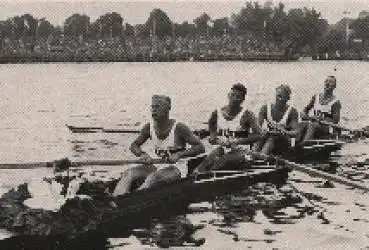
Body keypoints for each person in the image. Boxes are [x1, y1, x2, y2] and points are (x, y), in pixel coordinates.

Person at [113, 95, 205, 196]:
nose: (153, 110)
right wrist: (142, 154)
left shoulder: (179, 127)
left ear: (167, 109)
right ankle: (115, 199)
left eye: (157, 107)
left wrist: (179, 155)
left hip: (176, 168)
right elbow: (134, 145)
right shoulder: (148, 127)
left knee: (152, 178)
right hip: (156, 164)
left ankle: (131, 200)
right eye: (152, 107)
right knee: (128, 173)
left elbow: (200, 147)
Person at [194, 83, 263, 173]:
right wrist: (212, 136)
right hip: (223, 147)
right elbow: (211, 126)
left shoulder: (247, 114)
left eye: (238, 97)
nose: (234, 99)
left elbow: (259, 135)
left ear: (243, 99)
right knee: (205, 163)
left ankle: (205, 178)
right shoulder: (217, 112)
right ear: (228, 95)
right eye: (232, 95)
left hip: (241, 151)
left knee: (220, 162)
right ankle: (195, 176)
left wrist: (237, 141)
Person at [254, 84, 299, 155]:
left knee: (274, 138)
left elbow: (296, 132)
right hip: (269, 138)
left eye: (282, 97)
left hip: (284, 142)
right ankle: (252, 156)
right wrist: (262, 131)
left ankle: (261, 157)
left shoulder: (292, 111)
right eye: (278, 96)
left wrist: (284, 132)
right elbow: (257, 127)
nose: (279, 99)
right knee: (260, 137)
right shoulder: (265, 108)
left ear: (288, 98)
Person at [297, 76, 341, 143]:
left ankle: (305, 143)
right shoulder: (316, 97)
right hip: (315, 125)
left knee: (312, 125)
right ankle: (295, 142)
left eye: (330, 82)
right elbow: (306, 109)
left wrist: (321, 120)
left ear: (334, 86)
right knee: (301, 124)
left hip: (326, 129)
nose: (327, 83)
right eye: (326, 81)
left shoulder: (336, 103)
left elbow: (335, 122)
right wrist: (303, 114)